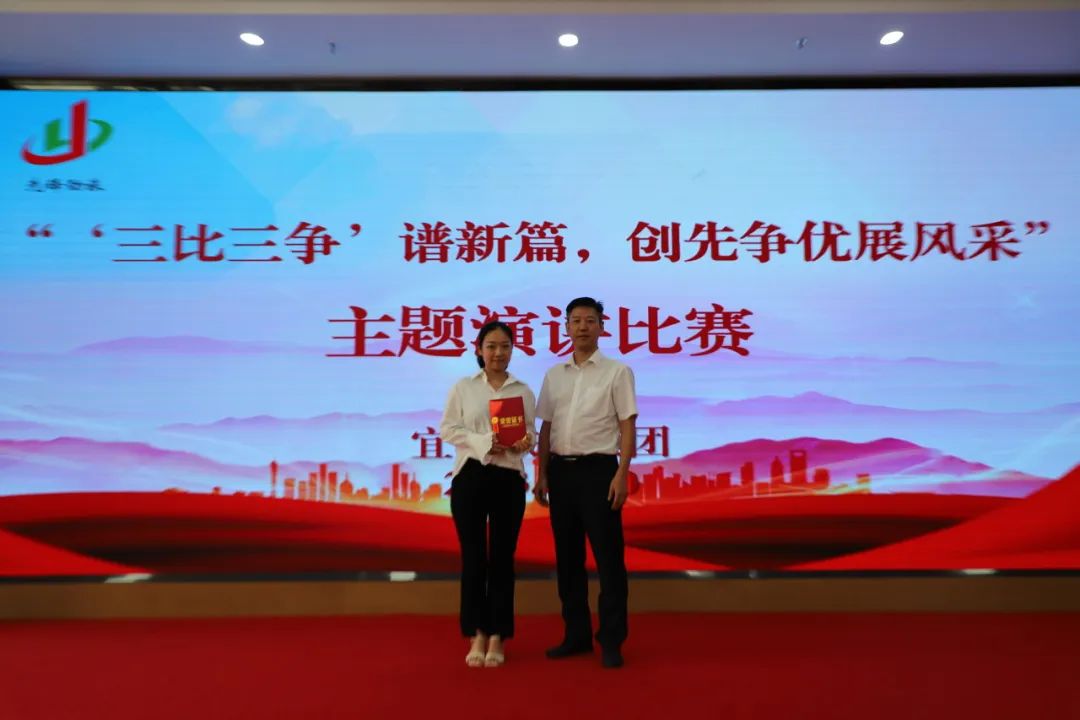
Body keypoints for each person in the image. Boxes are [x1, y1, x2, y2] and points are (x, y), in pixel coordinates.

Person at [534, 297, 638, 669]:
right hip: (561, 474)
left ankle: (611, 639)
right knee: (568, 560)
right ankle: (576, 635)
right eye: (575, 320)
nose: (582, 327)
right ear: (565, 327)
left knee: (609, 560)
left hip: (599, 472)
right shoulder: (554, 375)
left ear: (601, 327)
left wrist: (622, 473)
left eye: (590, 320)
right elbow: (546, 427)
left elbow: (627, 424)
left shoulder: (617, 372)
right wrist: (542, 472)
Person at [440, 320, 536, 668]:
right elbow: (448, 429)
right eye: (491, 346)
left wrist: (525, 442)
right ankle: (476, 633)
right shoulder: (464, 387)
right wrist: (483, 442)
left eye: (505, 346)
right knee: (474, 557)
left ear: (512, 350)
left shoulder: (522, 390)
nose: (498, 353)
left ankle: (498, 634)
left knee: (503, 558)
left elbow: (529, 434)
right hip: (471, 476)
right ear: (479, 349)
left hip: (509, 478)